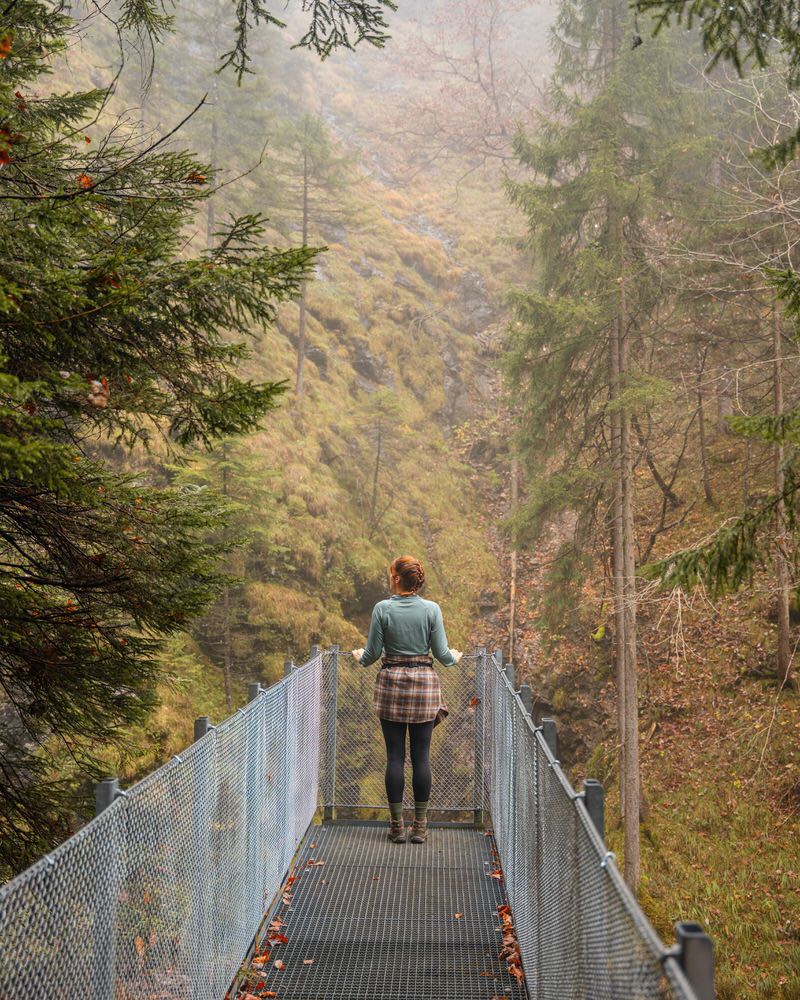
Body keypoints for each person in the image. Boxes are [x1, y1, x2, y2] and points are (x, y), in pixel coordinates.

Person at [352, 555, 462, 845]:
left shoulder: (382, 609)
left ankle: (397, 826)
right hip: (424, 685)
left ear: (397, 578)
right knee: (421, 757)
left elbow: (372, 654)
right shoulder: (431, 610)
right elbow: (442, 654)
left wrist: (358, 657)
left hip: (391, 684)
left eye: (391, 574)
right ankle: (421, 827)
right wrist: (455, 657)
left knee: (395, 757)